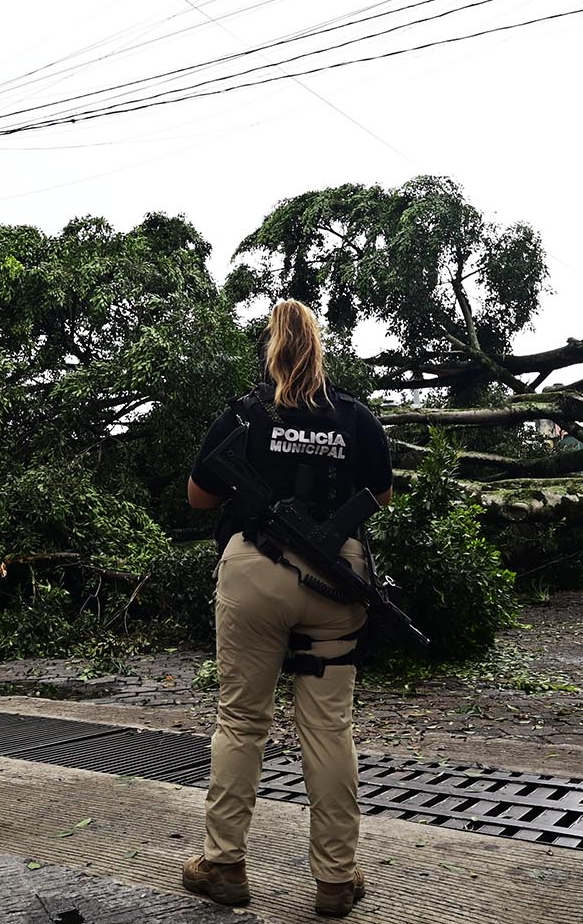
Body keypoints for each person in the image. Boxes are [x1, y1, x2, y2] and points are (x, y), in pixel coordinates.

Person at [183, 299, 392, 918]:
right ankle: (334, 879)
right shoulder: (355, 418)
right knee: (328, 728)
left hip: (253, 576)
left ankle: (222, 865)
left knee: (242, 720)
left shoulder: (244, 415)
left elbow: (198, 496)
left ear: (268, 350)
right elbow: (378, 494)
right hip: (336, 584)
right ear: (320, 348)